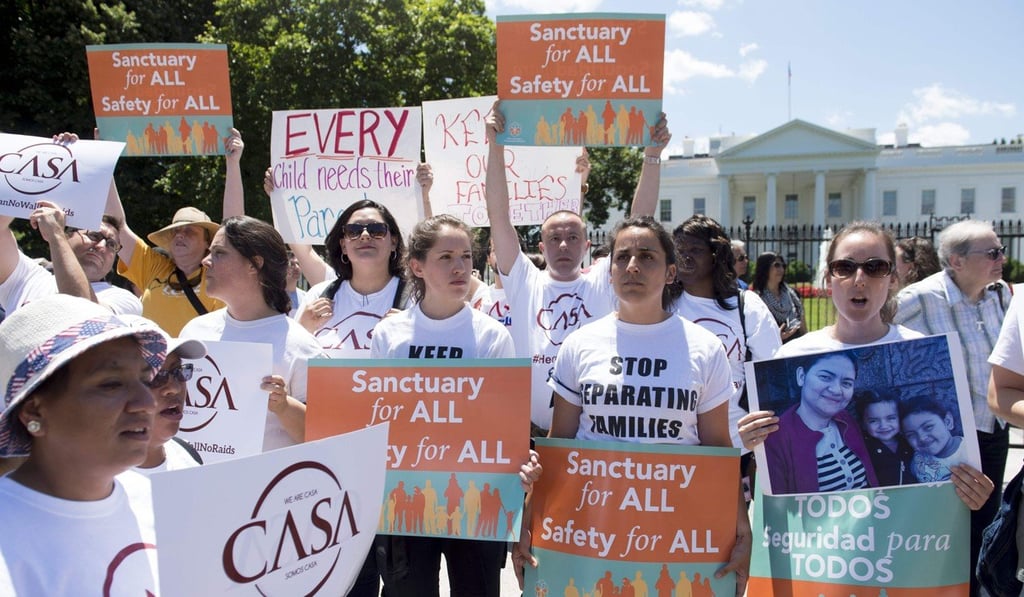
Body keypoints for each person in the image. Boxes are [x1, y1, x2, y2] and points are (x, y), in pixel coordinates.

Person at [521, 216, 749, 595]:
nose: (632, 266)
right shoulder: (580, 345)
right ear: (608, 272)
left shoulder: (705, 348)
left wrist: (742, 529)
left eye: (647, 256)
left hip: (680, 528)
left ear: (671, 271)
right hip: (594, 526)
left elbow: (718, 450)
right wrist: (529, 524)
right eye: (622, 256)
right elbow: (558, 443)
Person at [739, 221, 993, 501]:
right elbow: (769, 491)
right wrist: (752, 442)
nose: (859, 279)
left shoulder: (916, 345)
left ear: (893, 279)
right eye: (845, 268)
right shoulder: (792, 354)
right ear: (828, 278)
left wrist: (973, 492)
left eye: (875, 267)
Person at [369, 214, 539, 597]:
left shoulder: (492, 336)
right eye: (445, 257)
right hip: (406, 500)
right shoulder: (389, 335)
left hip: (477, 500)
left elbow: (503, 423)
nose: (461, 266)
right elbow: (377, 417)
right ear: (417, 266)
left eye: (465, 255)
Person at [485, 101, 670, 435]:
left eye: (573, 237)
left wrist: (652, 156)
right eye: (554, 238)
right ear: (540, 248)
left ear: (588, 247)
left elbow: (639, 221)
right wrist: (495, 146)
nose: (564, 245)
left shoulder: (602, 279)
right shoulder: (525, 281)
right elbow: (499, 215)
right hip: (529, 432)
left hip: (594, 432)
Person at [0, 294, 167, 593]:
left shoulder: (160, 502)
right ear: (34, 412)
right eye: (111, 383)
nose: (146, 402)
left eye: (145, 380)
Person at [893, 219, 1010, 596]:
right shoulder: (919, 299)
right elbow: (875, 337)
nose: (1001, 257)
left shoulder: (999, 297)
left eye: (1001, 249)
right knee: (946, 527)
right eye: (991, 252)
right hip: (949, 438)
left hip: (993, 429)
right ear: (956, 261)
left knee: (987, 522)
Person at [179, 215, 324, 452]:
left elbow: (325, 437)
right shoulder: (194, 331)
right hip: (196, 483)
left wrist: (284, 406)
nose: (206, 261)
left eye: (219, 253)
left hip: (267, 486)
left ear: (254, 264)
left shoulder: (301, 347)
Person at [669, 215, 780, 496]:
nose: (684, 258)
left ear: (716, 256)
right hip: (675, 448)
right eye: (679, 250)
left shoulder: (745, 306)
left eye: (694, 250)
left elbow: (774, 371)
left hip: (737, 445)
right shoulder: (662, 305)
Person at [107, 128, 246, 335]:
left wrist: (232, 163)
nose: (180, 234)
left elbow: (233, 226)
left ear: (208, 243)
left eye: (190, 231)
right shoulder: (153, 268)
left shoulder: (219, 272)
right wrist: (104, 163)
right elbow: (117, 225)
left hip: (205, 364)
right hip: (157, 365)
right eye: (176, 231)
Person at [0, 196, 141, 316]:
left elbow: (80, 314)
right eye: (94, 235)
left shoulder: (124, 300)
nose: (102, 246)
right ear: (67, 236)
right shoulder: (27, 277)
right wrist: (24, 187)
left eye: (111, 245)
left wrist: (55, 234)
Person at [132, 331, 207, 474]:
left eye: (178, 371)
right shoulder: (88, 483)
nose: (174, 388)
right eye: (156, 376)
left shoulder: (187, 456)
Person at [854, 389, 917, 486]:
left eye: (891, 418)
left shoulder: (909, 442)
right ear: (863, 424)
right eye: (873, 421)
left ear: (900, 418)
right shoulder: (864, 449)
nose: (883, 426)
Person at [899, 395, 967, 483]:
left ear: (948, 422)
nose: (922, 438)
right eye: (911, 435)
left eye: (928, 427)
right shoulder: (916, 460)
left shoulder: (969, 451)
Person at [750, 251, 806, 343]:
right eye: (776, 265)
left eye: (783, 265)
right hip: (774, 350)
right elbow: (755, 334)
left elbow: (803, 326)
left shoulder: (793, 294)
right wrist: (777, 337)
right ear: (765, 268)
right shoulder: (756, 298)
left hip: (797, 346)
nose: (781, 269)